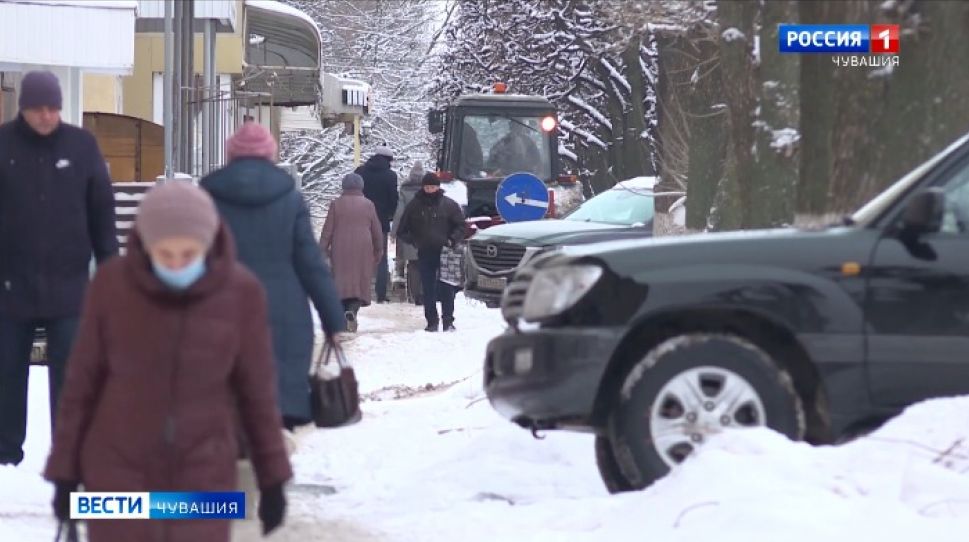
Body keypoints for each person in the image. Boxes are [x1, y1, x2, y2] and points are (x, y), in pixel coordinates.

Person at [44, 182, 292, 541]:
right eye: (165, 253)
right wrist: (65, 473)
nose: (176, 264)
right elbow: (81, 384)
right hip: (117, 468)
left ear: (208, 244)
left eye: (188, 254)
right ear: (146, 245)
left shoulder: (242, 293)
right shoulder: (111, 286)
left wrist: (272, 478)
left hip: (203, 472)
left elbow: (257, 394)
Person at [0, 70, 118, 466]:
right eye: (38, 109)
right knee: (7, 373)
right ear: (23, 109)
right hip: (10, 286)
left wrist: (110, 270)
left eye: (53, 108)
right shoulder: (4, 145)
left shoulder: (81, 146)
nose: (46, 116)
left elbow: (101, 213)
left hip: (69, 287)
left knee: (70, 376)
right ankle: (5, 455)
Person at [200, 121, 346, 431]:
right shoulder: (290, 198)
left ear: (231, 155)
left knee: (228, 407)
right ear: (270, 155)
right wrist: (333, 319)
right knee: (278, 406)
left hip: (222, 310)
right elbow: (311, 264)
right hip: (284, 314)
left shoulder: (207, 198)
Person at [396, 172, 465, 332]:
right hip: (425, 251)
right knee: (428, 288)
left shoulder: (449, 205)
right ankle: (431, 321)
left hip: (445, 252)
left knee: (446, 287)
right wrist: (415, 241)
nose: (430, 190)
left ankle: (448, 321)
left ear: (438, 187)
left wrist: (452, 240)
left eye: (433, 187)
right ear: (423, 187)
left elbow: (461, 225)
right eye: (427, 187)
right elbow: (402, 230)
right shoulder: (414, 205)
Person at [320, 173, 384, 332]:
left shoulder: (336, 204)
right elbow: (377, 230)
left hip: (339, 247)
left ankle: (344, 316)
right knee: (359, 283)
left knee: (340, 282)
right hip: (363, 248)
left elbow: (327, 230)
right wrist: (378, 249)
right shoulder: (368, 204)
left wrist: (322, 249)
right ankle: (352, 310)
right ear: (361, 186)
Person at [355, 145, 398, 303]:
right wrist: (390, 215)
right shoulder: (390, 176)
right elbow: (393, 200)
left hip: (359, 221)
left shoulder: (360, 172)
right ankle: (381, 294)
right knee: (381, 257)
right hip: (380, 221)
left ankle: (358, 292)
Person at [392, 162, 426, 305]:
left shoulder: (405, 190)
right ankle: (424, 294)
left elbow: (399, 212)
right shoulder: (428, 190)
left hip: (409, 232)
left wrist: (394, 231)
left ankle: (413, 295)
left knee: (413, 264)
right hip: (427, 232)